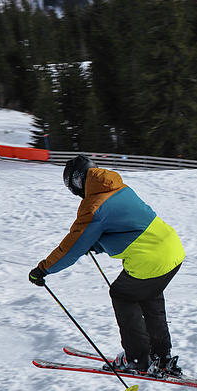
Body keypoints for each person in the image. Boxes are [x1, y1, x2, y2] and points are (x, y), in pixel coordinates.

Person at [29, 155, 185, 376]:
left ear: (77, 180)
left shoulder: (93, 206)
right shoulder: (121, 189)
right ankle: (162, 355)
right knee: (150, 295)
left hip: (150, 258)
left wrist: (43, 269)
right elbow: (128, 229)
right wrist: (96, 245)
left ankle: (138, 358)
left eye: (70, 185)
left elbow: (70, 248)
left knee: (122, 295)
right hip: (173, 250)